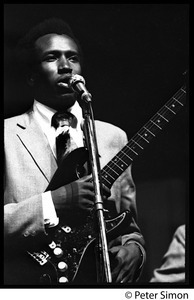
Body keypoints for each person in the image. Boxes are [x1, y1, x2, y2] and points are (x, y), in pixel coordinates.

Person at [4, 18, 146, 285]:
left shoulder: (113, 137)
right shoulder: (5, 135)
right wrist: (54, 203)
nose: (66, 66)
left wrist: (134, 249)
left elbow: (128, 225)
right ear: (32, 75)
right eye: (51, 57)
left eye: (73, 58)